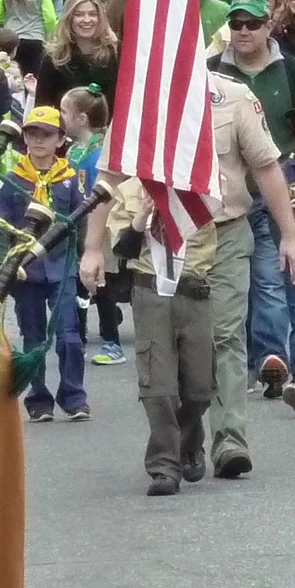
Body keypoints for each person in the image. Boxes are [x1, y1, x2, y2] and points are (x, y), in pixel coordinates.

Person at [206, 0, 295, 400]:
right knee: (231, 283)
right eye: (236, 24)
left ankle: (272, 357)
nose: (243, 31)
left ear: (268, 26)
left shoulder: (293, 70)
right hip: (226, 195)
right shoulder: (211, 71)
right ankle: (233, 360)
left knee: (270, 278)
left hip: (278, 190)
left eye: (252, 24)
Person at [97, 174, 215, 495]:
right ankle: (164, 465)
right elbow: (123, 249)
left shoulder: (200, 183)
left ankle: (189, 442)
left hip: (193, 290)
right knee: (158, 385)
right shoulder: (130, 191)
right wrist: (140, 219)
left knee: (200, 387)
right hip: (151, 291)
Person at [0, 106, 89, 422]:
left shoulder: (68, 179)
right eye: (31, 134)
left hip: (61, 267)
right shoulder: (12, 179)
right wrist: (4, 266)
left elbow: (83, 221)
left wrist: (86, 260)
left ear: (61, 139)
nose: (38, 141)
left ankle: (74, 396)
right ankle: (38, 400)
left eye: (46, 135)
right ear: (23, 138)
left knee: (69, 335)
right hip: (26, 271)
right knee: (32, 337)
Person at [34, 0, 118, 109]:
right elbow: (42, 105)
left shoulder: (115, 52)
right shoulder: (54, 57)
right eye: (79, 14)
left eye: (92, 14)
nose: (87, 20)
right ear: (69, 18)